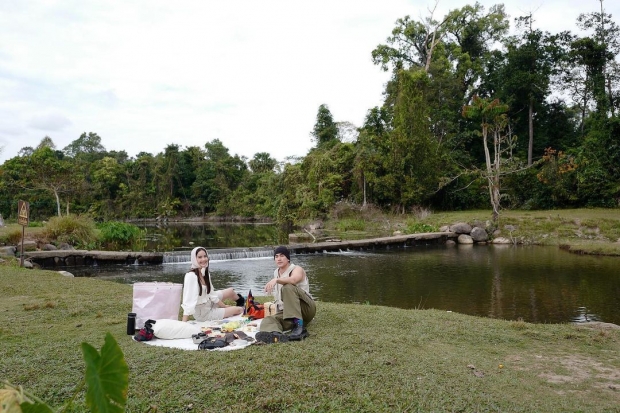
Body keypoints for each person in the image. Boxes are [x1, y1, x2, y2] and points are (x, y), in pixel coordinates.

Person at [255, 246, 316, 343]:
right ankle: (276, 335)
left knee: (287, 287)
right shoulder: (276, 272)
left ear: (288, 258)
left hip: (306, 309)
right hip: (289, 312)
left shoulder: (297, 269)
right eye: (276, 256)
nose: (279, 258)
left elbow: (293, 280)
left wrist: (277, 280)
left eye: (282, 256)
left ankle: (300, 327)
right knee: (268, 320)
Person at [181, 246, 245, 322]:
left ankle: (241, 302)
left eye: (205, 256)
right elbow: (188, 301)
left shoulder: (205, 272)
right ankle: (242, 309)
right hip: (203, 314)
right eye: (200, 257)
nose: (203, 259)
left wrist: (224, 306)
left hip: (209, 301)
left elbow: (212, 294)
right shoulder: (191, 276)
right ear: (194, 259)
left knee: (230, 291)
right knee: (239, 310)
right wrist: (183, 324)